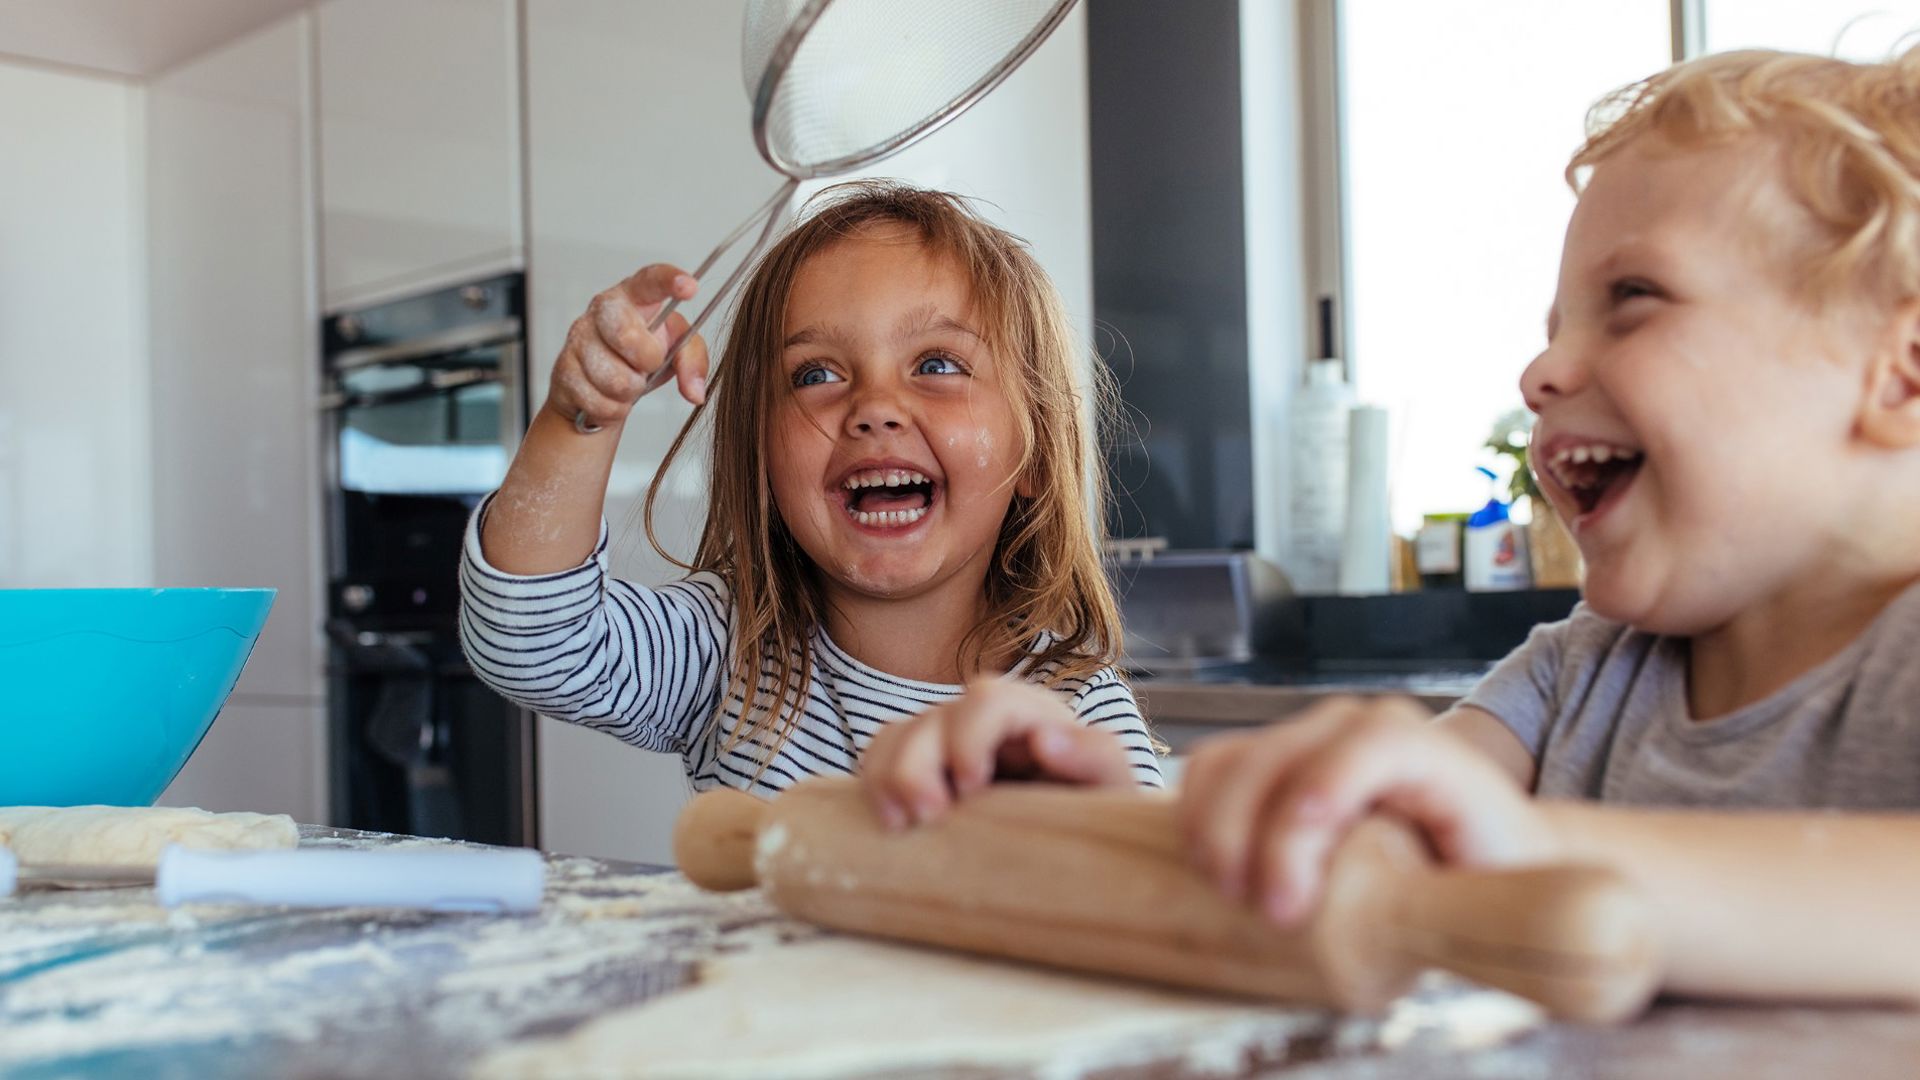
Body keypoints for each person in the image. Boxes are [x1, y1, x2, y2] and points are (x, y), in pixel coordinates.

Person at [919, 48, 1920, 1006]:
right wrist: (1112, 825)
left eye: (1632, 300)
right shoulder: (1576, 676)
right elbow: (1362, 831)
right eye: (1551, 329)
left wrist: (1537, 849)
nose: (1542, 375)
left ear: (1899, 371)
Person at [459, 181, 1163, 809]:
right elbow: (530, 642)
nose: (874, 406)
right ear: (760, 456)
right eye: (816, 374)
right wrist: (583, 418)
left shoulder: (1074, 716)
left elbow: (1153, 920)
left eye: (937, 364)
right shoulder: (733, 652)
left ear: (1034, 450)